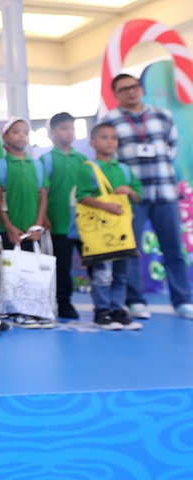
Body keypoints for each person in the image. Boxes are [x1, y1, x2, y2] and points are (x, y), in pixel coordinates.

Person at [98, 73, 193, 320]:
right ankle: (136, 301)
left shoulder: (163, 115)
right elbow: (109, 157)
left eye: (134, 86)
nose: (131, 91)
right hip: (132, 197)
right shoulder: (110, 121)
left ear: (141, 88)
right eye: (124, 89)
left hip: (165, 192)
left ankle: (183, 300)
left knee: (174, 248)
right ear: (116, 94)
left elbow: (173, 148)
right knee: (130, 251)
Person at [76, 123, 144, 330]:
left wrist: (129, 191)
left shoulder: (124, 169)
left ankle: (118, 309)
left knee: (122, 273)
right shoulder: (88, 168)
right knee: (103, 273)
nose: (110, 141)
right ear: (93, 142)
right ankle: (102, 310)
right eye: (104, 137)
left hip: (123, 232)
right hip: (101, 233)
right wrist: (105, 205)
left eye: (114, 138)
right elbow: (82, 196)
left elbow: (138, 196)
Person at [0, 116, 52, 329]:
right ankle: (17, 309)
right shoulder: (1, 165)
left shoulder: (36, 164)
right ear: (5, 137)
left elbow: (43, 196)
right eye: (16, 132)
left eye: (25, 132)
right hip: (11, 229)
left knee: (32, 269)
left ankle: (34, 309)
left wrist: (37, 225)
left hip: (33, 229)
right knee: (14, 271)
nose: (22, 136)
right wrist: (9, 227)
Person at [41, 112, 87, 319]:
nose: (69, 132)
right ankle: (64, 303)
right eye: (64, 128)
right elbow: (41, 192)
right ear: (52, 133)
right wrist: (43, 216)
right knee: (62, 264)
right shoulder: (46, 160)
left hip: (85, 224)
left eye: (72, 128)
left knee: (93, 262)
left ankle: (103, 304)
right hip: (58, 223)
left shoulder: (83, 160)